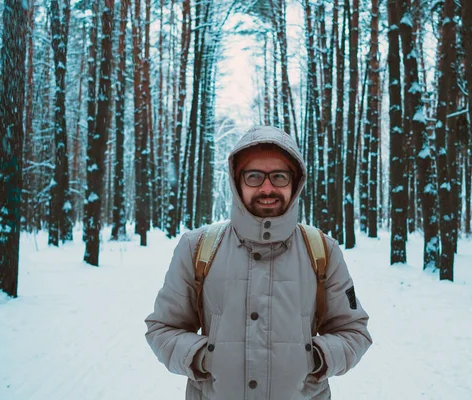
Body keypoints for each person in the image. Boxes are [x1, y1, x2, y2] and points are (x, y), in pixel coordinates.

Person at [145, 125, 372, 399]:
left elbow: (354, 331)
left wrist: (316, 358)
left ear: (295, 182)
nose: (267, 188)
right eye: (254, 176)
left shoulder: (323, 250)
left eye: (279, 176)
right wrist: (201, 357)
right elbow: (163, 328)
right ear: (236, 181)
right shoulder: (197, 248)